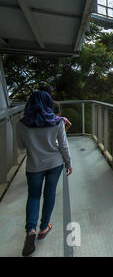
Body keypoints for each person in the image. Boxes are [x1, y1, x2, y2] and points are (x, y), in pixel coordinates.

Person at [17, 90, 72, 256]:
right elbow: (63, 145)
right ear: (48, 103)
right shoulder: (57, 122)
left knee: (33, 197)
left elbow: (20, 147)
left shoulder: (22, 123)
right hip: (54, 164)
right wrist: (68, 163)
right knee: (49, 195)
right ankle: (44, 227)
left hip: (34, 165)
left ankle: (30, 230)